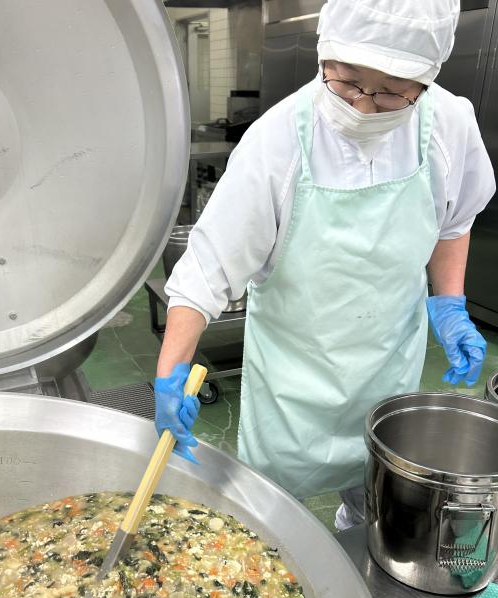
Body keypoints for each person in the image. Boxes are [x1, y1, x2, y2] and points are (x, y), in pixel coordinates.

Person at [154, 0, 495, 529]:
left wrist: (449, 305)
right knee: (270, 518)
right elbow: (207, 271)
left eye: (391, 93)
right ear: (325, 53)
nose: (363, 106)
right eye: (347, 80)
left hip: (386, 363)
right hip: (294, 379)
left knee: (375, 503)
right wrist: (171, 371)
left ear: (425, 80)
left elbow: (454, 221)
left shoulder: (448, 124)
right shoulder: (277, 140)